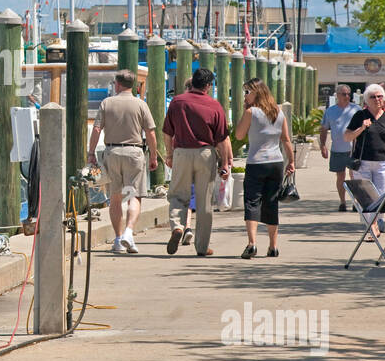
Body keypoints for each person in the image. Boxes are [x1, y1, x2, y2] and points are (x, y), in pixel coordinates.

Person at [163, 67, 232, 257]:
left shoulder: (177, 102)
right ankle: (201, 247)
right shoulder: (214, 105)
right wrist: (224, 164)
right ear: (208, 86)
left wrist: (169, 154)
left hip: (182, 152)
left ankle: (177, 226)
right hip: (205, 154)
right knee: (204, 202)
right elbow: (222, 140)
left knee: (177, 195)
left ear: (192, 82)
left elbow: (167, 132)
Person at [88, 70, 158, 254]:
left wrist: (91, 153)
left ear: (117, 84)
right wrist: (153, 156)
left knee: (116, 198)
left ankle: (118, 240)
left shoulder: (106, 103)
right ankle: (129, 232)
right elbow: (150, 133)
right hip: (134, 152)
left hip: (112, 151)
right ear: (134, 85)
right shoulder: (140, 104)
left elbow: (96, 129)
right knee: (133, 196)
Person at [234, 77, 293, 259]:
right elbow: (286, 139)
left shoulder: (251, 112)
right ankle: (273, 246)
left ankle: (252, 244)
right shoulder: (278, 112)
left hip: (256, 162)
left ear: (256, 93)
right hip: (276, 162)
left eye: (247, 92)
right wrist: (291, 161)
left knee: (252, 201)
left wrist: (245, 113)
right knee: (271, 203)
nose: (245, 96)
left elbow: (239, 134)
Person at [344, 83, 385, 242]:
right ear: (366, 100)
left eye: (380, 96)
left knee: (380, 197)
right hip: (362, 163)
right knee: (366, 198)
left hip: (382, 163)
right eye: (373, 97)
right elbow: (347, 137)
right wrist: (361, 128)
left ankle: (374, 223)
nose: (377, 99)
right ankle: (373, 227)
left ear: (384, 98)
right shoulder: (360, 116)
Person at [320, 84, 360, 211]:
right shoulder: (330, 111)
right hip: (337, 150)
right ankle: (342, 202)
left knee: (354, 176)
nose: (347, 96)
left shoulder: (357, 110)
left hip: (353, 150)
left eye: (349, 94)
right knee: (340, 177)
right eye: (344, 94)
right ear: (337, 95)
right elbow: (324, 129)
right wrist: (323, 145)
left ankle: (356, 202)